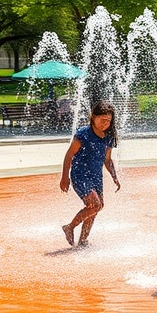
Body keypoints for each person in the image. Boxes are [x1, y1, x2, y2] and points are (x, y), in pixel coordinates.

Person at [59, 101, 120, 247]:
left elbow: (107, 159)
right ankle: (70, 227)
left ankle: (83, 240)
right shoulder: (84, 134)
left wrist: (114, 176)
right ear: (93, 117)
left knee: (96, 207)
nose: (105, 124)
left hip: (96, 176)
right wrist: (64, 177)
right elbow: (69, 155)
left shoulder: (108, 136)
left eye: (108, 121)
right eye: (102, 120)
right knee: (95, 204)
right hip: (80, 174)